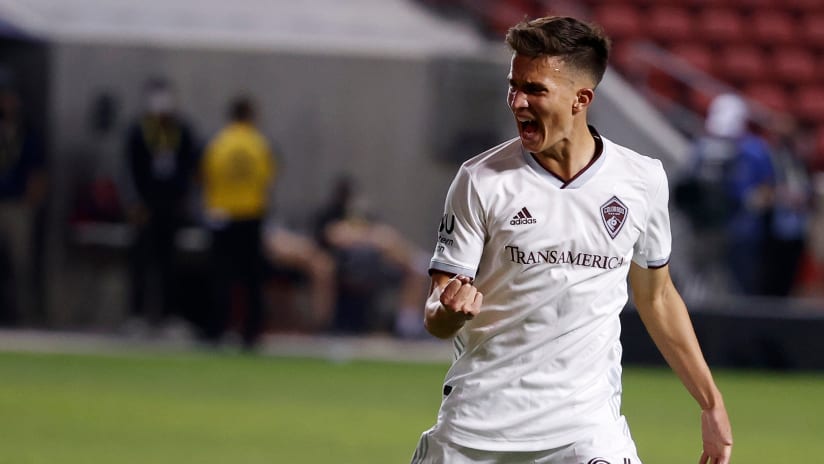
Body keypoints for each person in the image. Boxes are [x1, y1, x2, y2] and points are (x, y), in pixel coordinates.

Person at [411, 16, 732, 464]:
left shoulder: (642, 180)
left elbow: (657, 298)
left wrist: (710, 402)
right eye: (513, 85)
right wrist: (448, 310)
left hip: (586, 433)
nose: (516, 101)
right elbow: (435, 311)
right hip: (478, 430)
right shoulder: (480, 180)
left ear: (582, 98)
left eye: (535, 89)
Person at [123, 78, 198, 332]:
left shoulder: (181, 129)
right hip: (146, 204)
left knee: (170, 262)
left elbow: (190, 166)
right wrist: (135, 202)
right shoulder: (139, 130)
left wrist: (183, 198)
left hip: (171, 204)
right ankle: (137, 315)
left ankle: (169, 315)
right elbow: (130, 169)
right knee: (141, 261)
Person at [201, 96, 275, 349]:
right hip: (251, 216)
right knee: (252, 278)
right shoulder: (259, 144)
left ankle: (216, 329)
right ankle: (251, 332)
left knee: (220, 275)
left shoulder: (219, 143)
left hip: (222, 216)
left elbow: (206, 176)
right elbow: (267, 177)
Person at [0, 83, 47, 326]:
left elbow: (37, 171)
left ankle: (26, 315)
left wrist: (31, 201)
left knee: (22, 263)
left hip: (18, 204)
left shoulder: (27, 132)